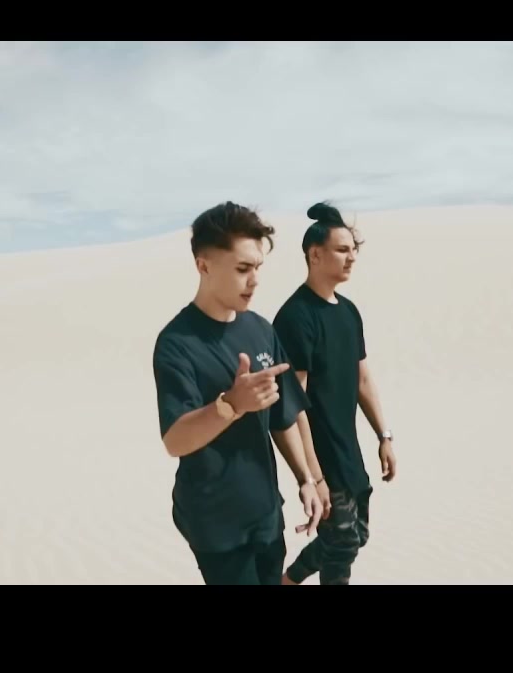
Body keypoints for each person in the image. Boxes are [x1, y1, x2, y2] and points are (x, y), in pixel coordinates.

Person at [152, 201, 325, 585]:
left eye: (258, 267)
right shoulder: (177, 344)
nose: (255, 280)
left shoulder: (261, 330)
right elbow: (175, 440)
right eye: (243, 269)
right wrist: (231, 405)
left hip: (266, 513)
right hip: (216, 523)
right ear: (204, 266)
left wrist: (306, 479)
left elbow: (283, 416)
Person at [274, 202, 396, 586]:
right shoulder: (296, 317)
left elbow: (363, 380)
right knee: (342, 541)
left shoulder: (348, 312)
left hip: (349, 450)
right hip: (323, 454)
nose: (352, 257)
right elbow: (294, 404)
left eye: (353, 249)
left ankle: (287, 580)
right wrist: (314, 475)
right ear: (315, 254)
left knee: (354, 536)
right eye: (342, 249)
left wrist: (384, 436)